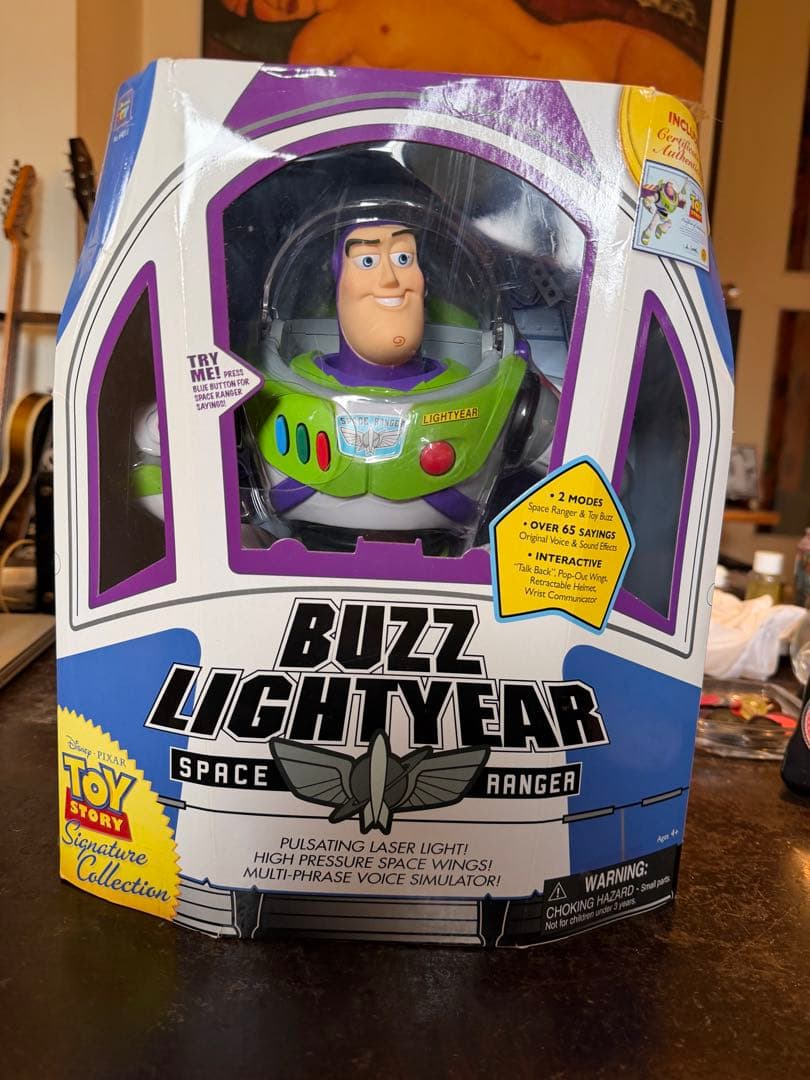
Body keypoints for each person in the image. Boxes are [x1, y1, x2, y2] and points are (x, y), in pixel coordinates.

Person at [244, 218, 556, 554]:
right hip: (290, 564)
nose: (389, 280)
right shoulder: (259, 387)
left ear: (424, 285)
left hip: (452, 568)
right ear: (338, 285)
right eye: (367, 261)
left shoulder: (505, 394)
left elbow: (583, 459)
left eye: (403, 259)